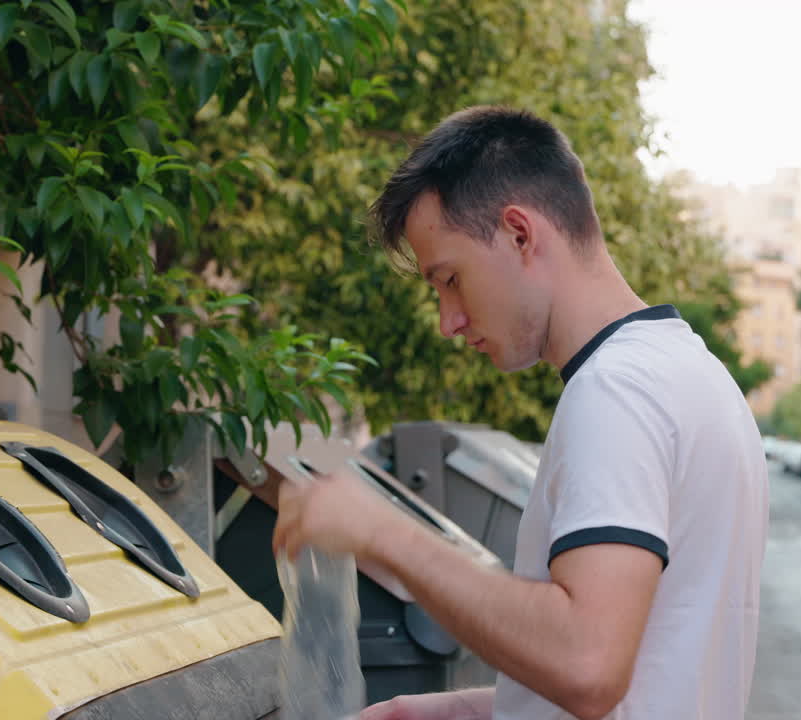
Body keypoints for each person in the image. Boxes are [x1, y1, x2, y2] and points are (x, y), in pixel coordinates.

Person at [272, 106, 768, 720]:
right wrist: (460, 710)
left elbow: (588, 665)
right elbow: (655, 680)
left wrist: (382, 532)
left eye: (450, 279)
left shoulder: (616, 393)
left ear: (519, 234)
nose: (447, 321)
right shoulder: (691, 373)